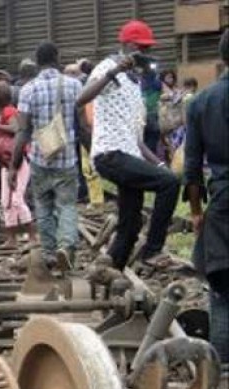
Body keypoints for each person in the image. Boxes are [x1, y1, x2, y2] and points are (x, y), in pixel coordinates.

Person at [78, 20, 180, 270]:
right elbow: (82, 98)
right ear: (127, 46)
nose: (144, 54)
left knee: (131, 224)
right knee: (169, 183)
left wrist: (158, 162)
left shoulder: (137, 86)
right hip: (110, 153)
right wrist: (115, 71)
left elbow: (135, 138)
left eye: (147, 50)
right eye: (140, 48)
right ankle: (152, 250)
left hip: (128, 154)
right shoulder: (109, 66)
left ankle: (111, 272)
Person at [10, 42, 84, 270]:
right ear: (57, 57)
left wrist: (14, 166)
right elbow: (83, 126)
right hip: (67, 158)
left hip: (41, 159)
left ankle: (50, 253)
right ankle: (67, 246)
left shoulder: (28, 90)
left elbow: (23, 131)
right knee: (67, 205)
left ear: (37, 61)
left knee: (42, 206)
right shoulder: (74, 85)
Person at [184, 28, 229, 368]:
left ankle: (222, 377)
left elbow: (192, 168)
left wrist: (197, 213)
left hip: (223, 205)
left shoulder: (201, 102)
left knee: (222, 294)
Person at [0, 82, 37, 248]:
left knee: (17, 200)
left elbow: (15, 129)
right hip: (5, 162)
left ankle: (33, 237)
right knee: (6, 201)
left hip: (18, 161)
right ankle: (11, 239)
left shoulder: (9, 111)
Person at [158, 69, 187, 163]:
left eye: (172, 77)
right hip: (166, 122)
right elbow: (161, 100)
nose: (170, 79)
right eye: (168, 77)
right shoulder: (160, 89)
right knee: (168, 146)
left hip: (178, 122)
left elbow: (181, 103)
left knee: (177, 145)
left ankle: (176, 163)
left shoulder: (177, 90)